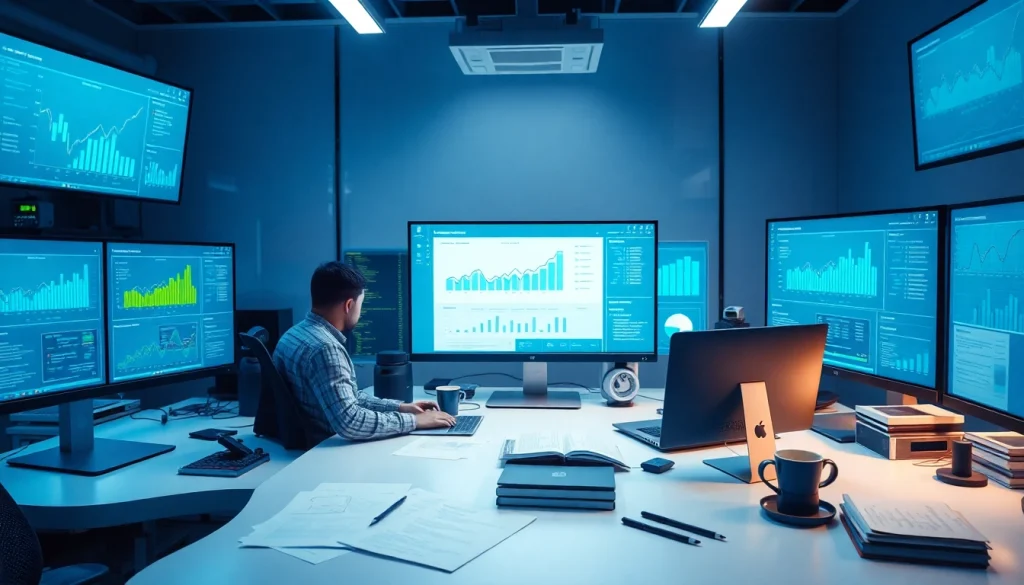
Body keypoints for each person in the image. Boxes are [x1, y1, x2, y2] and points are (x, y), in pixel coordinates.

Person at [274, 261, 455, 440]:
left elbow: (347, 398)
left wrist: (401, 407)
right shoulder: (326, 349)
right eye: (361, 305)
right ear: (349, 305)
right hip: (326, 449)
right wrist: (414, 421)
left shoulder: (295, 334)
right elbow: (350, 422)